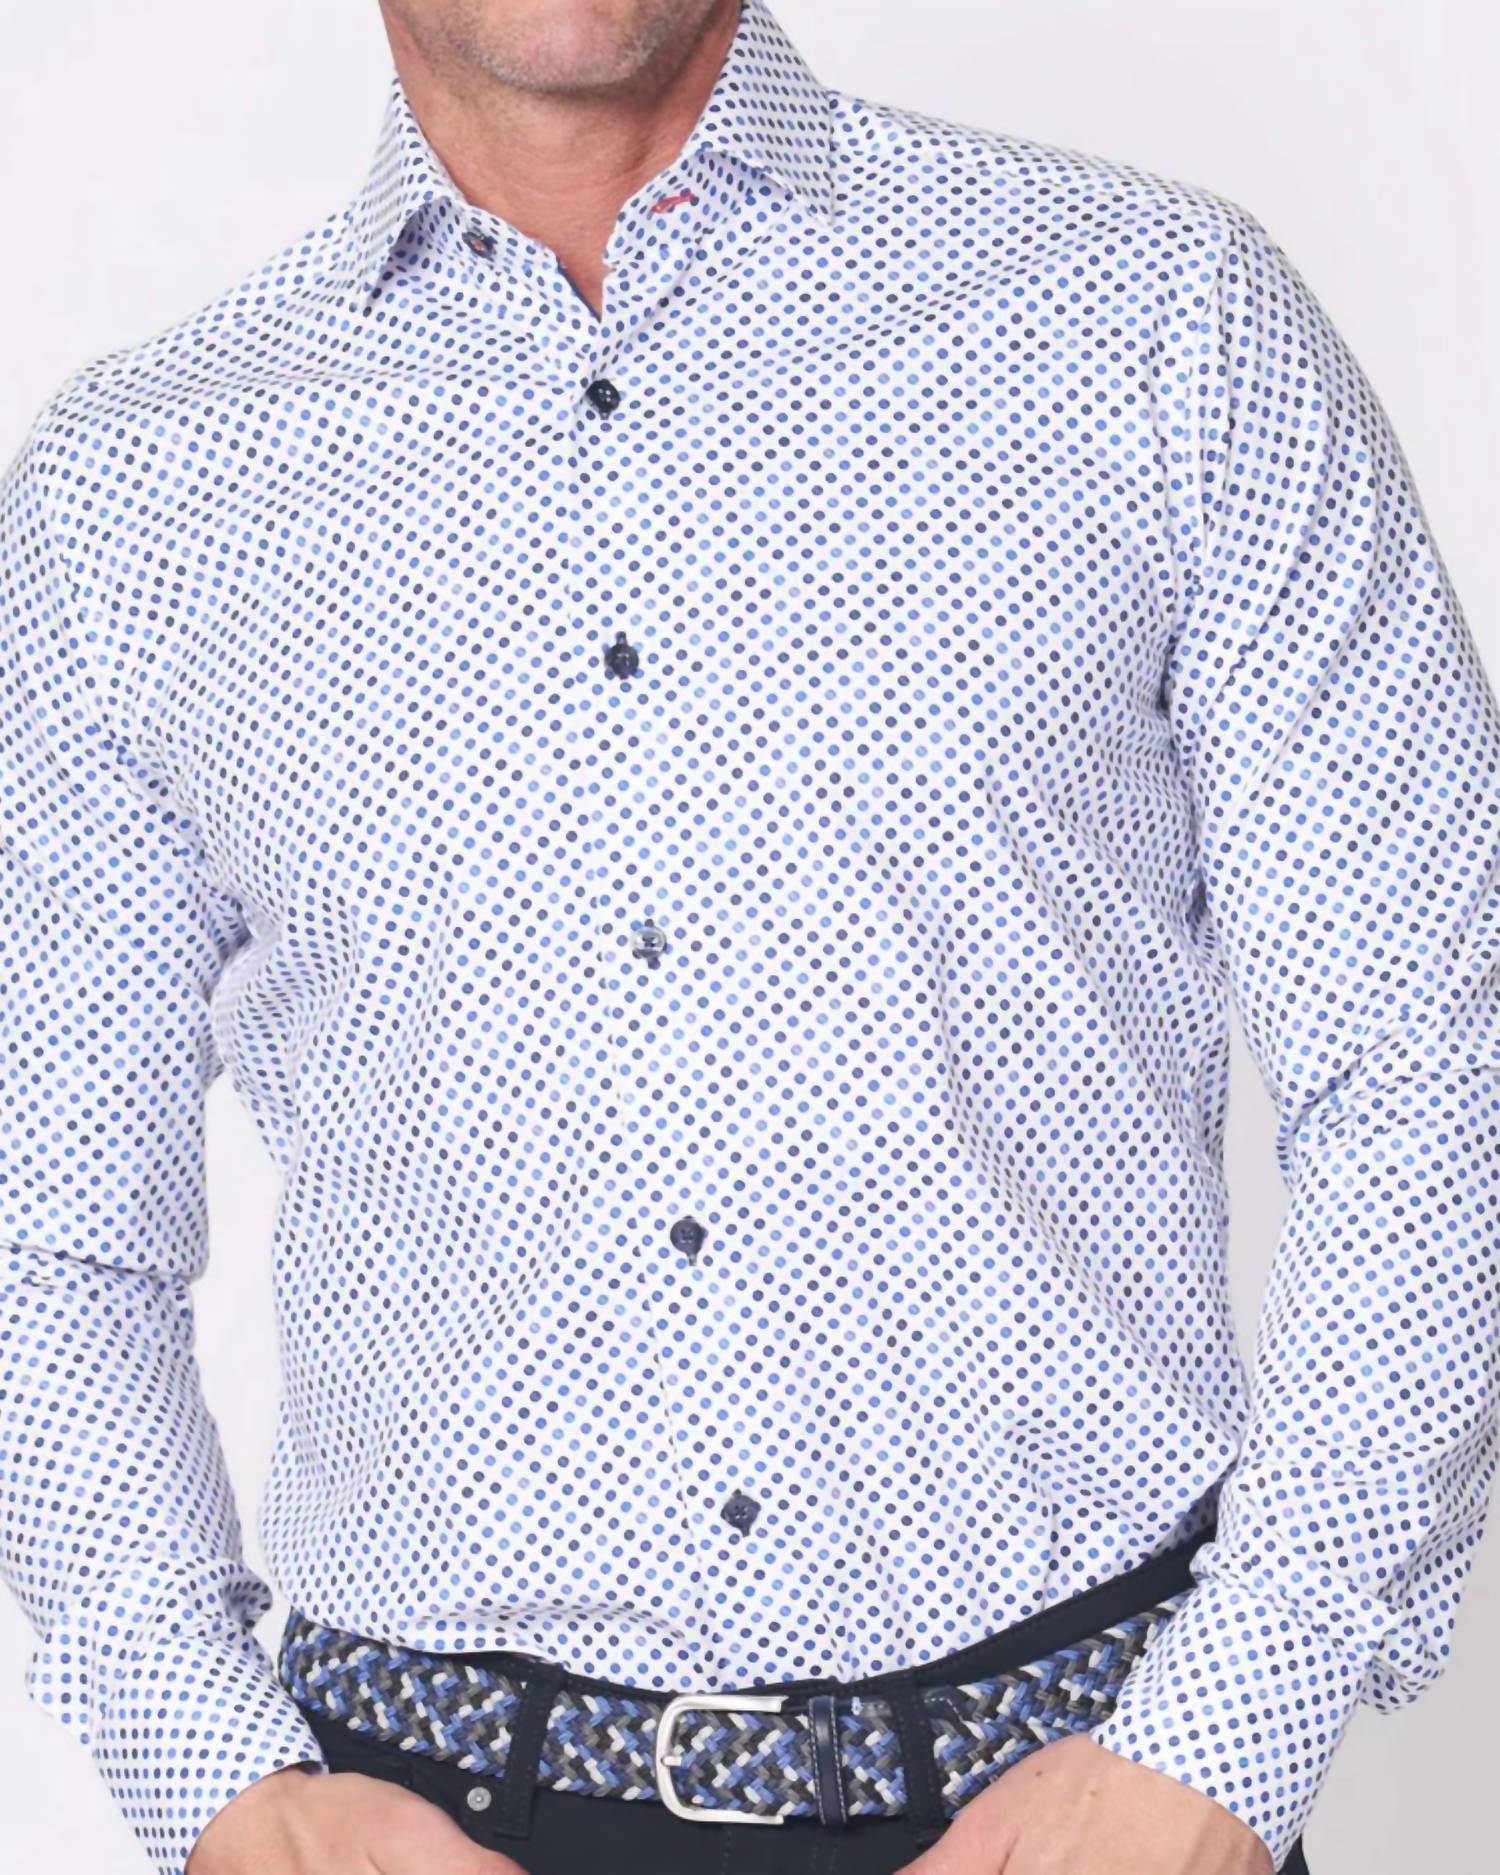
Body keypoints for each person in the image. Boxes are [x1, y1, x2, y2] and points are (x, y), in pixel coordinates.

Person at [1, 1, 1495, 1872]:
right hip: (431, 1813)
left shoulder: (1159, 315)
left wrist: (1230, 1732)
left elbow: (1435, 1057)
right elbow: (48, 1231)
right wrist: (218, 1781)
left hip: (1099, 1793)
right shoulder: (132, 496)